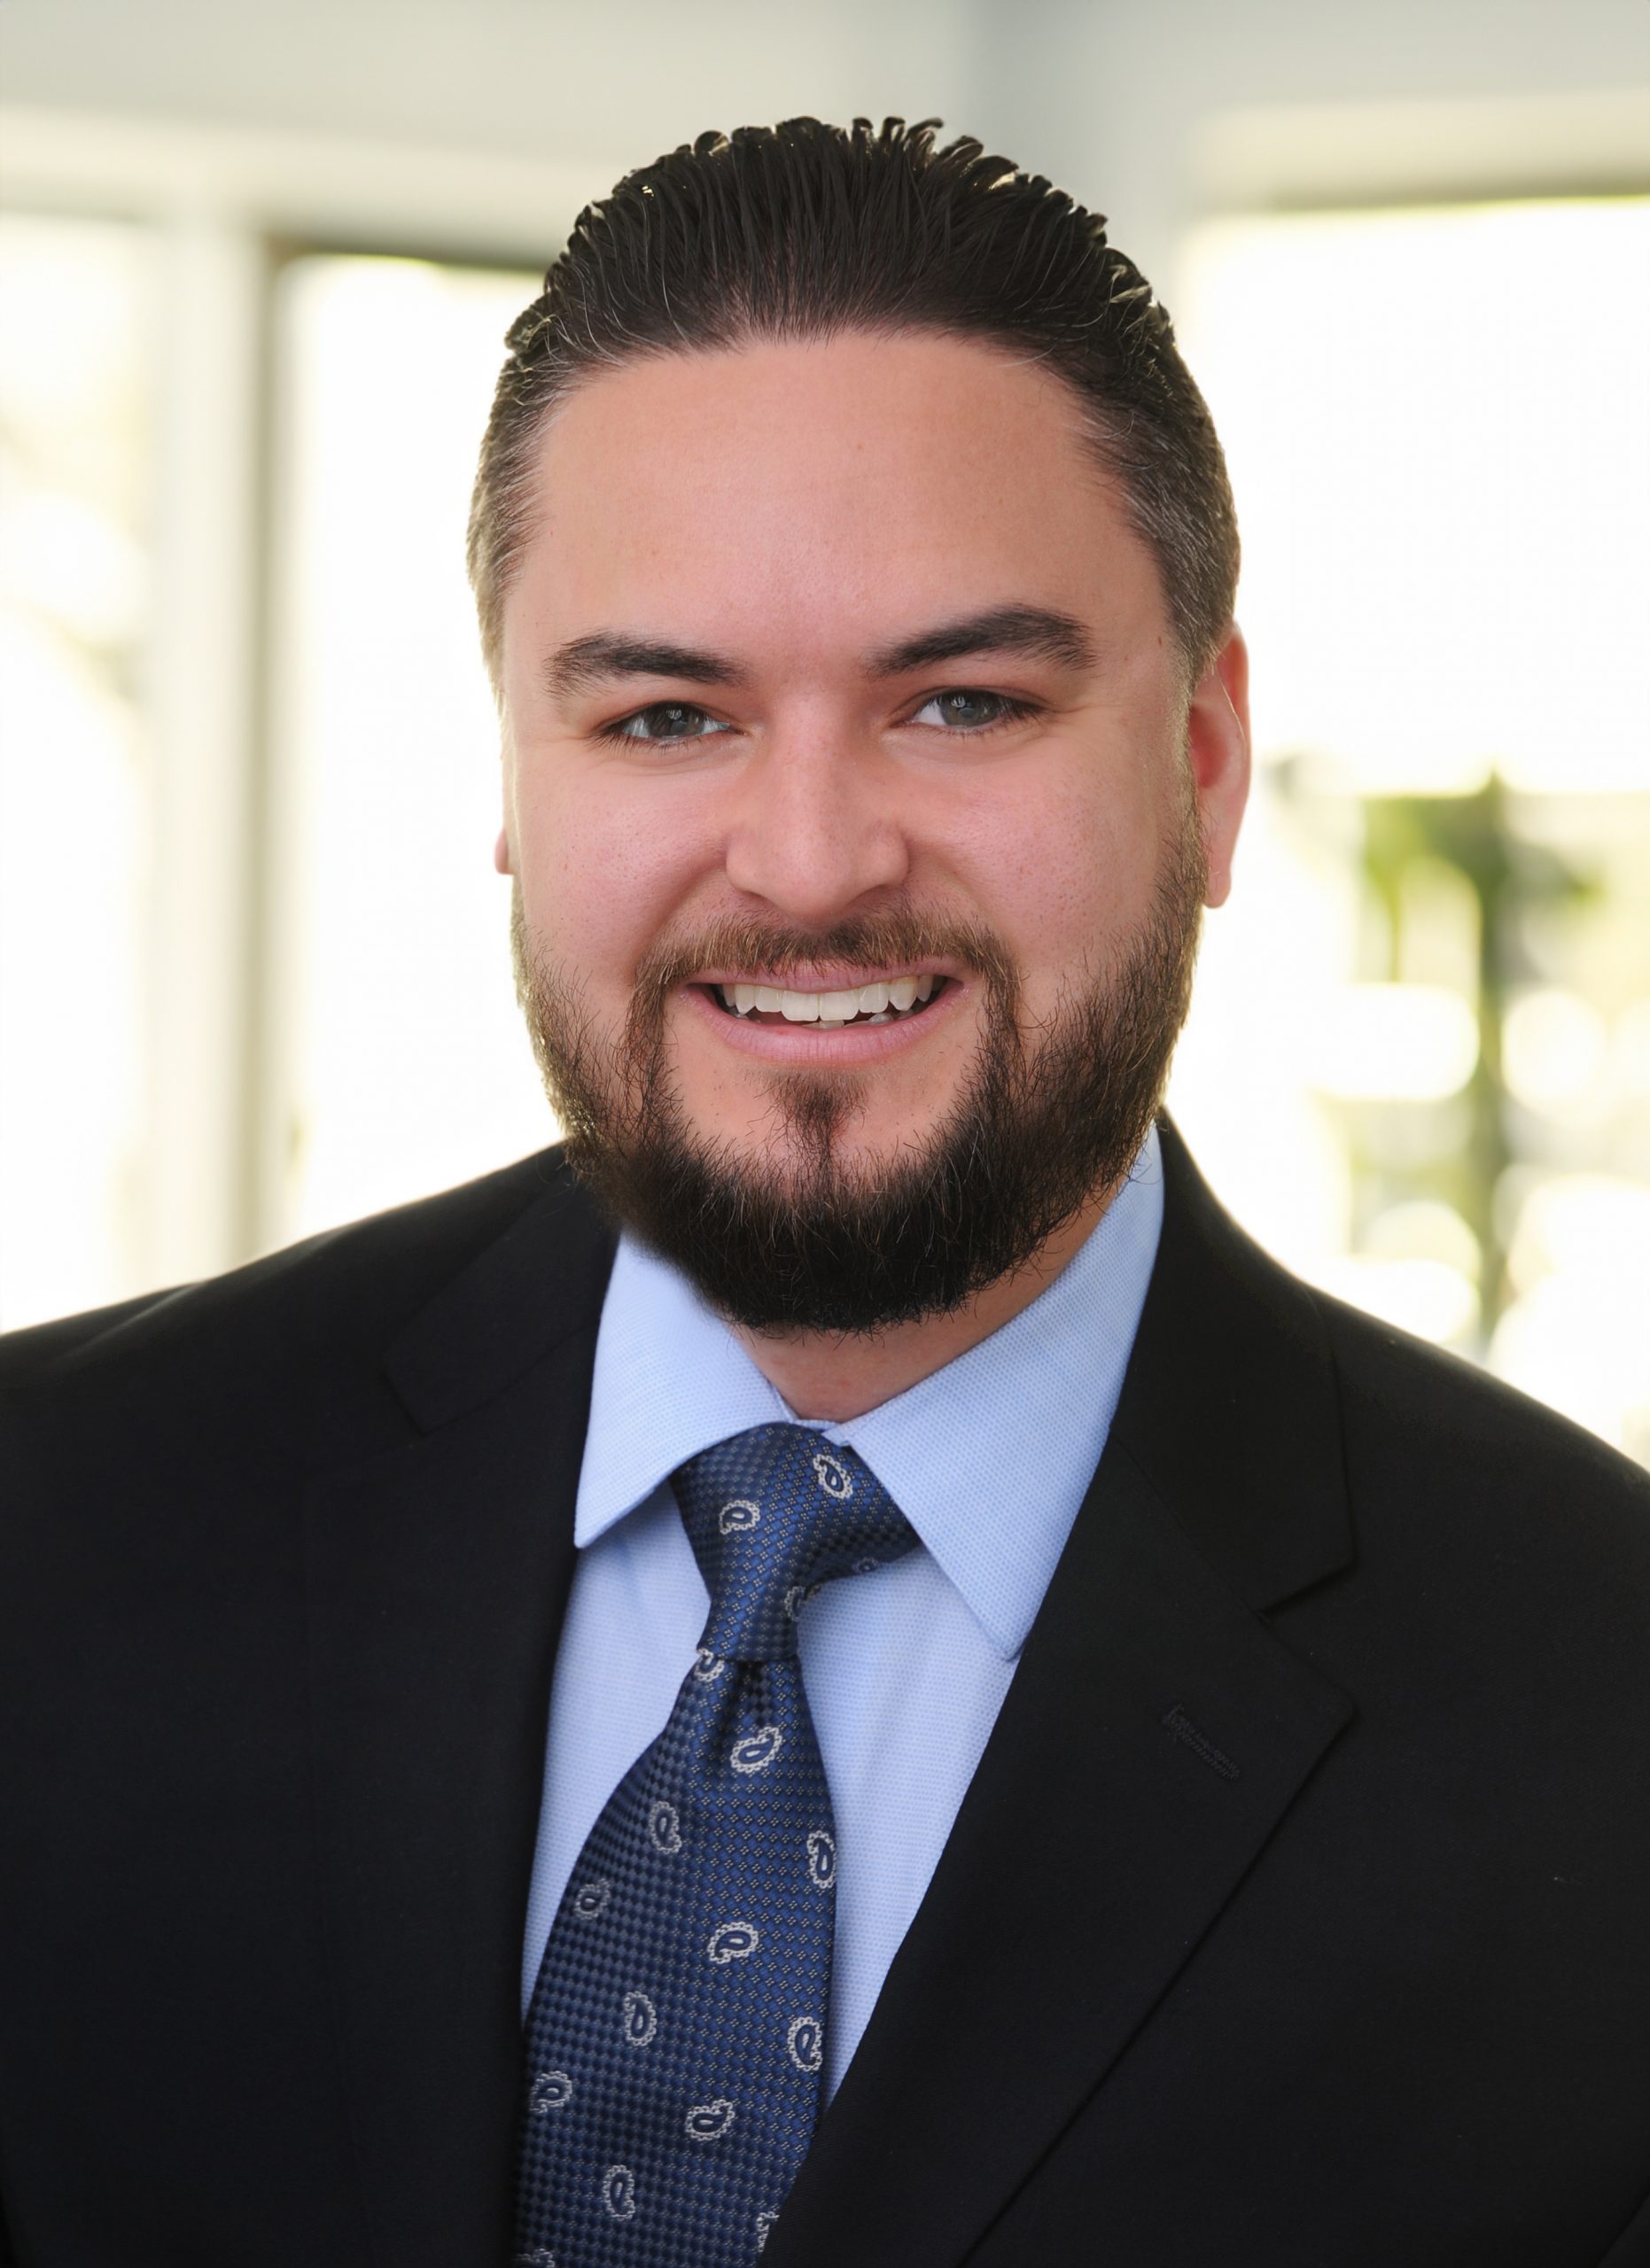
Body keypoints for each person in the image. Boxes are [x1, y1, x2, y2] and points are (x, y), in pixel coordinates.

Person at [1, 116, 1646, 2268]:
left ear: (1206, 764)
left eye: (963, 700)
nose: (805, 860)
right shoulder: (52, 1535)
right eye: (668, 716)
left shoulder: (1595, 1715)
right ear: (513, 773)